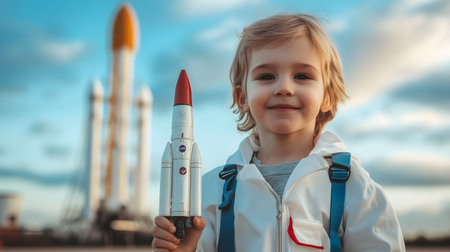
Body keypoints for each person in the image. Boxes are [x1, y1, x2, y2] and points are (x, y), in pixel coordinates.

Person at [152, 14, 406, 252]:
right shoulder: (212, 191)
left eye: (302, 75)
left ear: (327, 96)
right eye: (266, 76)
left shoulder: (355, 188)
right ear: (242, 97)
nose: (284, 87)